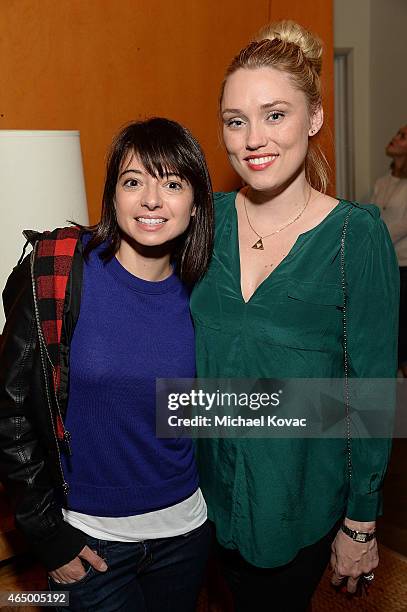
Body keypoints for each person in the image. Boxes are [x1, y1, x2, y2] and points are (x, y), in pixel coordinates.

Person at [190, 20, 399, 611]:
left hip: (297, 504)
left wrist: (362, 521)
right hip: (199, 500)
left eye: (275, 114)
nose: (254, 138)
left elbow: (373, 390)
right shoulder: (202, 221)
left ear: (314, 118)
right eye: (236, 120)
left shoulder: (355, 238)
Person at [0, 117, 213, 612]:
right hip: (89, 543)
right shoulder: (58, 273)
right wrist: (48, 535)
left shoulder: (209, 292)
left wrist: (352, 413)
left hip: (186, 533)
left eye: (173, 183)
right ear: (112, 195)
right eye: (133, 181)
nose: (151, 200)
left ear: (196, 202)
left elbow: (204, 409)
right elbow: (12, 414)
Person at [371, 124, 407, 377]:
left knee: (403, 333)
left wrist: (372, 242)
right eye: (396, 133)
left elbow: (400, 227)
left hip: (404, 267)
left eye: (403, 136)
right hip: (382, 266)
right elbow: (372, 220)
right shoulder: (382, 182)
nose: (394, 138)